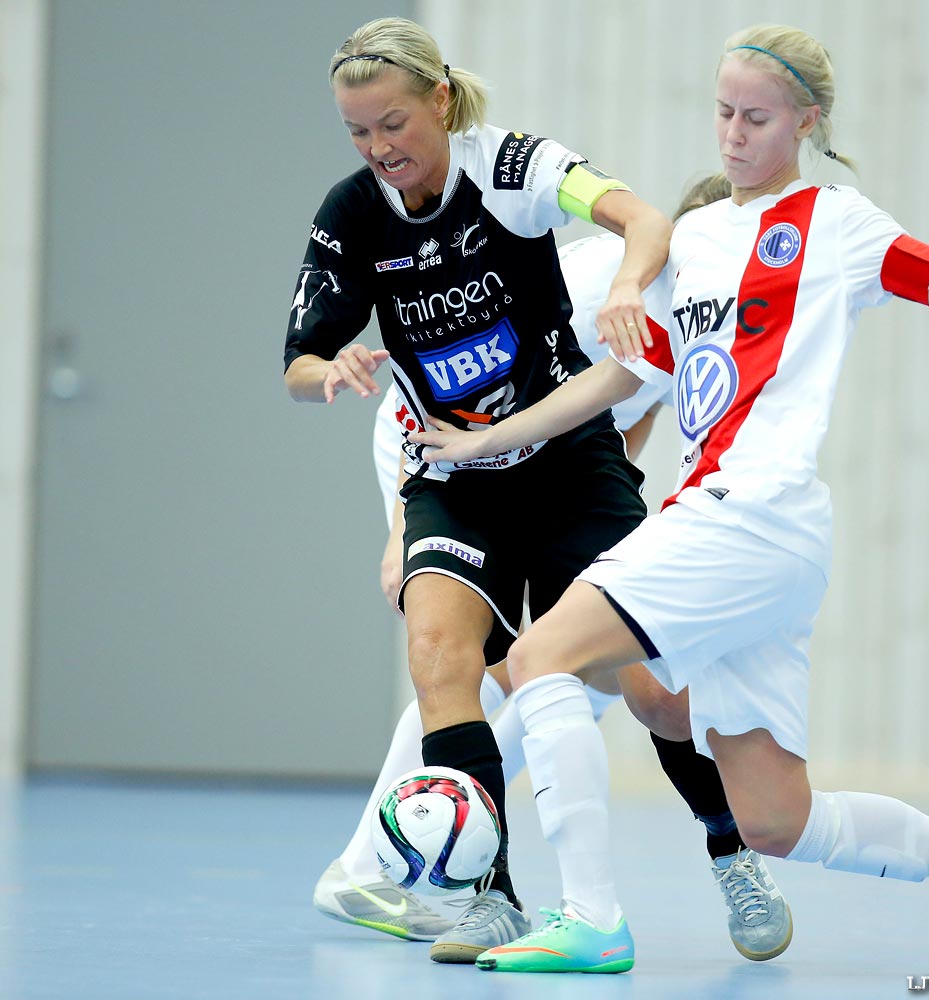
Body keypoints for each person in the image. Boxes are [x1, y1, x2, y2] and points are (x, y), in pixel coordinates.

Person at [410, 23, 929, 975]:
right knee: (775, 818)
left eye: (757, 117)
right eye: (722, 112)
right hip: (760, 538)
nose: (733, 134)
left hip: (753, 508)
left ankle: (592, 919)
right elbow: (621, 377)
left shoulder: (837, 221)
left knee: (541, 657)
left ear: (807, 121)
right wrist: (492, 438)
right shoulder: (696, 239)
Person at [283, 16, 785, 965]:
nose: (376, 149)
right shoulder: (610, 273)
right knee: (445, 656)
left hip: (567, 472)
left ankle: (731, 855)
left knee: (655, 695)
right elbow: (361, 388)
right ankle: (481, 893)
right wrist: (398, 526)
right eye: (361, 131)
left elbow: (626, 423)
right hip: (444, 462)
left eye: (389, 125)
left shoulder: (730, 319)